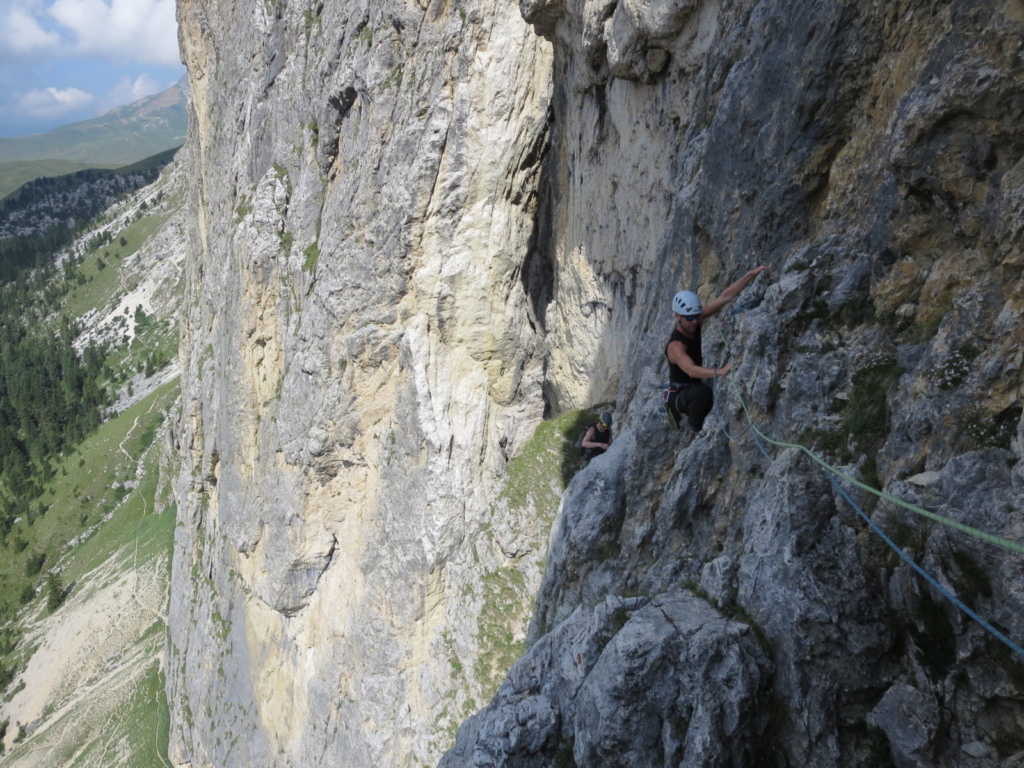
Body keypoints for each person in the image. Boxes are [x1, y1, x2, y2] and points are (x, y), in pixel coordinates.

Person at [665, 266, 768, 432]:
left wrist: (749, 275)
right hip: (679, 394)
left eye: (697, 316)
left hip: (692, 384)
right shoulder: (676, 345)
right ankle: (694, 427)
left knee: (701, 389)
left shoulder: (694, 320)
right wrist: (720, 371)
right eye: (690, 318)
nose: (694, 322)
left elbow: (725, 297)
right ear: (678, 316)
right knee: (703, 394)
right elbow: (691, 370)